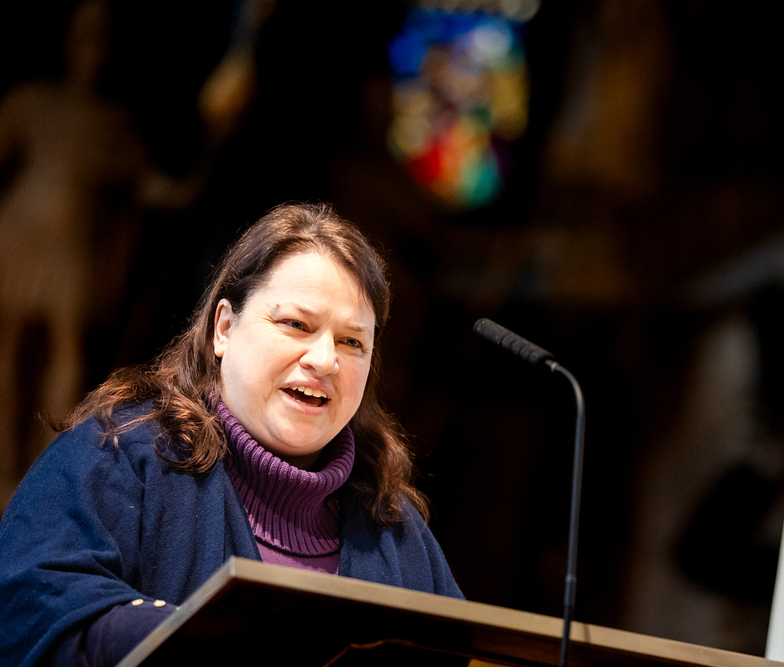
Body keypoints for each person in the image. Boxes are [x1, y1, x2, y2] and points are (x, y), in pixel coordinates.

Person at [0, 202, 462, 667]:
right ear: (223, 328)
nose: (325, 360)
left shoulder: (393, 526)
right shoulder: (119, 456)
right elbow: (28, 608)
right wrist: (200, 639)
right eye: (296, 324)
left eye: (352, 342)